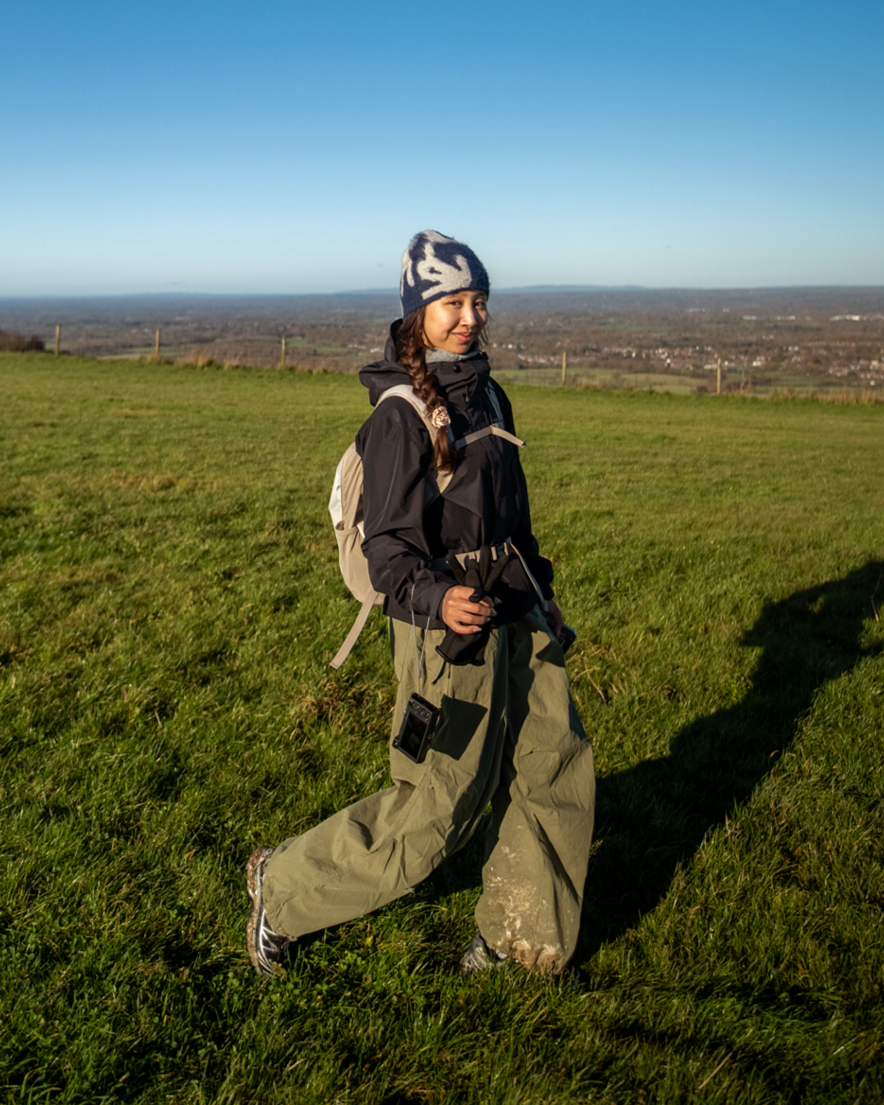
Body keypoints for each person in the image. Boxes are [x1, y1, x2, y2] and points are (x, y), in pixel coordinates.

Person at [246, 231, 595, 977]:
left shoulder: (490, 392)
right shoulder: (401, 416)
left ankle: (519, 940)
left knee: (549, 765)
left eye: (478, 301)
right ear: (417, 313)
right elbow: (390, 554)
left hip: (516, 612)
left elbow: (513, 521)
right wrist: (442, 601)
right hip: (447, 636)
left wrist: (545, 596)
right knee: (440, 801)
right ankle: (284, 889)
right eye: (451, 304)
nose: (469, 316)